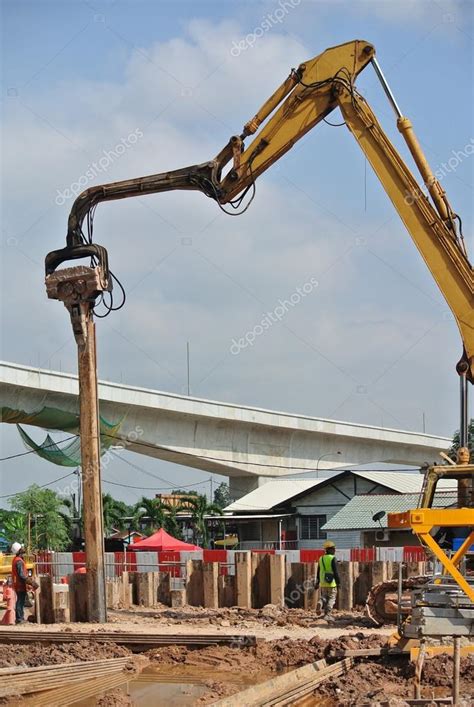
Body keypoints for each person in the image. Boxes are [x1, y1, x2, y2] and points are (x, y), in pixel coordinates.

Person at [315, 540, 340, 621]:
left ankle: (320, 602)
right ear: (329, 549)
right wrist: (338, 583)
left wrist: (317, 582)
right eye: (333, 549)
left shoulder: (321, 558)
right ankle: (328, 614)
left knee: (324, 597)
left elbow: (318, 571)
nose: (334, 550)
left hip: (323, 582)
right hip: (331, 582)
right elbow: (336, 572)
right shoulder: (333, 558)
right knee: (332, 598)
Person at [11, 542, 28, 624]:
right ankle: (19, 619)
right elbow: (21, 575)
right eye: (21, 548)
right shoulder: (19, 561)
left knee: (20, 601)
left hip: (18, 584)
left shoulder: (16, 559)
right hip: (20, 584)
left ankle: (20, 618)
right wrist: (29, 581)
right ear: (19, 551)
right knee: (20, 601)